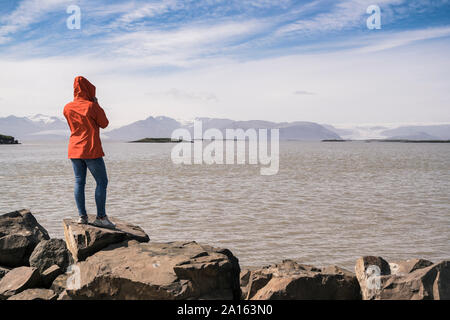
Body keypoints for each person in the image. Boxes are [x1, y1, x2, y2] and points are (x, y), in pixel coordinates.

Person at [63, 76, 115, 229]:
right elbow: (104, 124)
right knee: (102, 182)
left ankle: (82, 217)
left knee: (79, 182)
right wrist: (96, 103)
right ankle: (101, 217)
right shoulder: (91, 106)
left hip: (74, 149)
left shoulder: (67, 107)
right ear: (89, 89)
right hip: (91, 149)